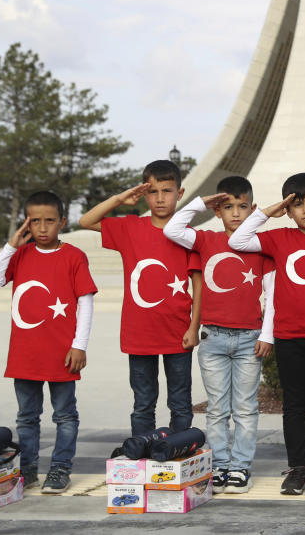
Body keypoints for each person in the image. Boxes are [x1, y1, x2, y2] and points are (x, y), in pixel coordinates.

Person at [228, 173, 305, 497]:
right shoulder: (278, 238)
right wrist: (269, 211)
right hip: (288, 338)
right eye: (297, 205)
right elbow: (237, 240)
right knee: (294, 406)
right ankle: (297, 468)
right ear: (288, 210)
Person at [163, 175, 275, 494]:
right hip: (213, 338)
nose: (236, 213)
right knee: (216, 408)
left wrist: (267, 334)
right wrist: (201, 202)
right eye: (228, 207)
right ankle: (220, 465)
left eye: (242, 207)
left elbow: (272, 295)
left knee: (245, 406)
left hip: (249, 339)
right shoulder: (205, 241)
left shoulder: (260, 247)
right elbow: (173, 229)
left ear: (252, 209)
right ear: (218, 212)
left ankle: (240, 466)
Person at [0, 191, 97, 493]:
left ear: (62, 221)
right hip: (26, 353)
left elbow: (85, 302)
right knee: (26, 417)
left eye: (50, 221)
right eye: (35, 222)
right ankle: (29, 468)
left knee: (65, 414)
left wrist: (80, 344)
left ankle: (60, 468)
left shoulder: (74, 256)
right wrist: (11, 245)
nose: (43, 228)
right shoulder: (20, 254)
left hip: (63, 353)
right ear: (26, 224)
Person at [79, 159, 201, 436]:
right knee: (143, 402)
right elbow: (86, 220)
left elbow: (198, 283)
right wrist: (120, 199)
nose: (160, 198)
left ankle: (179, 453)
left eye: (167, 191)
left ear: (180, 194)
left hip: (178, 331)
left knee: (180, 402)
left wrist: (195, 326)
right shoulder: (130, 227)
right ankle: (142, 455)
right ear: (144, 194)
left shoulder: (188, 236)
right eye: (153, 191)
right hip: (139, 332)